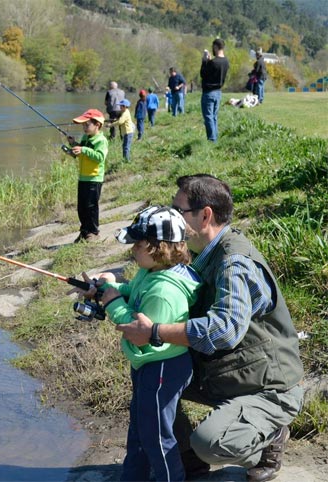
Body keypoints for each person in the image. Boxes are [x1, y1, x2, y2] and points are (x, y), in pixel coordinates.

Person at [115, 174, 304, 482]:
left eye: (178, 210)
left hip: (267, 384)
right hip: (229, 372)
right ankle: (187, 458)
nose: (172, 216)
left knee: (212, 443)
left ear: (205, 215)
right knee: (152, 384)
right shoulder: (202, 253)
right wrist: (112, 293)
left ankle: (270, 434)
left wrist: (155, 332)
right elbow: (162, 288)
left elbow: (224, 329)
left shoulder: (234, 263)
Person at [77, 206, 201, 482]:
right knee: (140, 430)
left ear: (158, 248)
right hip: (149, 368)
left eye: (138, 244)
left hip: (162, 368)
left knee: (156, 436)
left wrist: (112, 304)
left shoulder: (164, 291)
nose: (132, 249)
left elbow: (139, 333)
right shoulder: (153, 272)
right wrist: (106, 290)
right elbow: (134, 292)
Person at [66, 109, 109, 243]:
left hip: (94, 178)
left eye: (87, 124)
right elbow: (82, 152)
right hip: (83, 177)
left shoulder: (101, 140)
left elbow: (100, 157)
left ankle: (93, 232)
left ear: (98, 125)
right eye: (83, 125)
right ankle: (84, 231)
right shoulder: (85, 138)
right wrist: (74, 145)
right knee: (82, 207)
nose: (84, 127)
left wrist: (83, 149)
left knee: (91, 207)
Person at [200, 38, 230, 142]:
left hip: (209, 92)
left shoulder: (213, 63)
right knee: (214, 117)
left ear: (216, 47)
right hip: (218, 92)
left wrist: (205, 61)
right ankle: (215, 137)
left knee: (208, 117)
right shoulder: (226, 61)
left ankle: (212, 140)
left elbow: (203, 74)